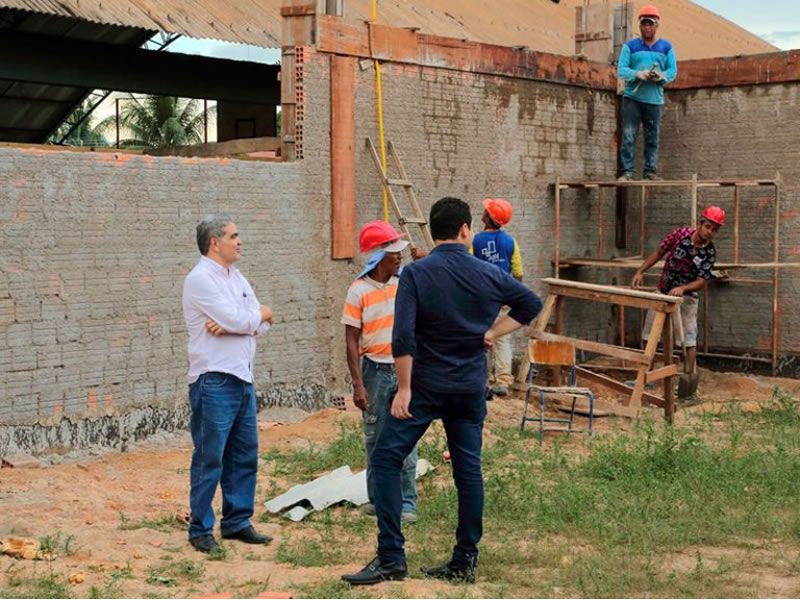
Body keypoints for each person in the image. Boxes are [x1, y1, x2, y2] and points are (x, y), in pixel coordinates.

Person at [341, 197, 542, 586]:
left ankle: (391, 557)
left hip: (425, 388)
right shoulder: (486, 273)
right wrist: (491, 332)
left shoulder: (418, 274)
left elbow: (403, 336)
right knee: (468, 471)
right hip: (468, 388)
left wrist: (403, 389)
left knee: (384, 460)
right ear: (466, 230)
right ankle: (464, 559)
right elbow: (529, 303)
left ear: (433, 233)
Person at [182, 214, 274, 553]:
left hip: (242, 377)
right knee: (210, 457)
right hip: (214, 380)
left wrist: (251, 319)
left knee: (244, 453)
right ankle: (200, 529)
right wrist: (255, 315)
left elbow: (259, 323)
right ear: (214, 243)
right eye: (233, 236)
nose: (240, 241)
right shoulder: (200, 279)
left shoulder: (236, 277)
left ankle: (236, 522)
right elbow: (246, 317)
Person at [341, 220, 419, 524]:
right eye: (393, 252)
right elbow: (351, 339)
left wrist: (424, 259)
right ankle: (377, 500)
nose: (399, 257)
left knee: (407, 436)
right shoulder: (358, 291)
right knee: (374, 437)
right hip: (373, 371)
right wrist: (357, 384)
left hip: (404, 371)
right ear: (376, 257)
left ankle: (407, 503)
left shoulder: (406, 283)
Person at [631, 206, 725, 375]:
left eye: (715, 229)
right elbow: (659, 253)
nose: (710, 232)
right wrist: (640, 271)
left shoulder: (709, 252)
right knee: (650, 335)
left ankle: (689, 377)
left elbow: (702, 281)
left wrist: (683, 288)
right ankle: (644, 376)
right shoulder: (680, 235)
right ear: (700, 223)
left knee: (688, 338)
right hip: (662, 292)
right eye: (708, 227)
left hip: (686, 299)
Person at [617, 4, 677, 181]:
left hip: (654, 100)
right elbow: (621, 70)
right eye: (644, 23)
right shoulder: (630, 47)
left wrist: (661, 76)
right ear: (640, 25)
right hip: (632, 99)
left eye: (650, 23)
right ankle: (627, 172)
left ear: (657, 25)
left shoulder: (666, 47)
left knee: (652, 137)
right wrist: (638, 74)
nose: (647, 27)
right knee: (628, 135)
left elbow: (673, 70)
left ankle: (650, 171)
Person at [472, 198, 524, 397]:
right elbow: (518, 272)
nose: (483, 212)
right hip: (503, 297)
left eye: (486, 210)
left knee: (481, 340)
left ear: (488, 218)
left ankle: (481, 381)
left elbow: (468, 267)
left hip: (482, 299)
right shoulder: (511, 242)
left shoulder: (475, 241)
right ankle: (503, 380)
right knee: (502, 339)